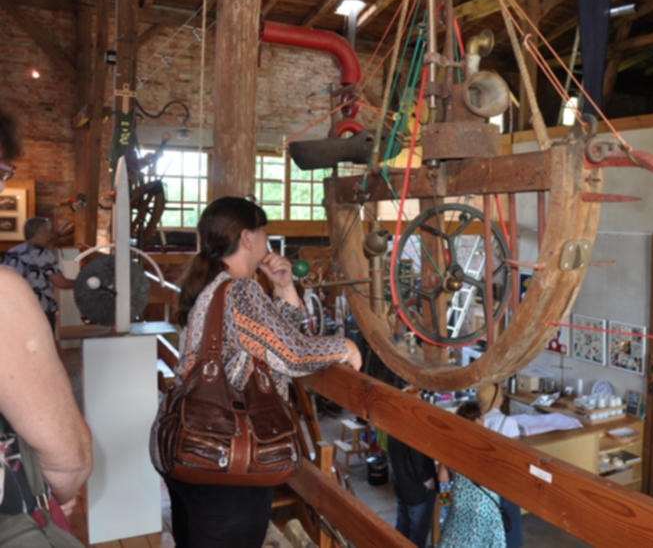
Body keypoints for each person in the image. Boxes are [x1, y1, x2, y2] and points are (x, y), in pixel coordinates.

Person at [150, 196, 362, 548]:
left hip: (194, 448)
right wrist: (344, 346)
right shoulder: (240, 290)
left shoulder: (214, 284)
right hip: (226, 460)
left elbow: (275, 339)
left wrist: (284, 287)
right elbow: (293, 354)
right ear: (247, 238)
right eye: (263, 231)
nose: (267, 239)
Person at [0, 109, 93, 522]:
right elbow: (68, 460)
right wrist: (90, 283)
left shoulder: (13, 253)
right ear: (38, 233)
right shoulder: (16, 281)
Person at [437, 402, 506, 548]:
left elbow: (442, 478)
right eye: (482, 416)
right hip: (485, 504)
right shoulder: (488, 444)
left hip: (461, 502)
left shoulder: (451, 444)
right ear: (477, 419)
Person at [4, 216, 75, 333]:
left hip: (15, 308)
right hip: (40, 309)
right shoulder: (42, 253)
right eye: (47, 232)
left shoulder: (12, 252)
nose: (49, 236)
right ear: (37, 234)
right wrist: (82, 282)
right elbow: (60, 282)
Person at [387, 387, 438, 548]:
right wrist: (430, 484)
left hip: (401, 484)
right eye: (419, 400)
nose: (422, 403)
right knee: (417, 532)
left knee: (403, 525)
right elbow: (420, 466)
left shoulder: (393, 424)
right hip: (416, 492)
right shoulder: (414, 430)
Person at [476, 383, 523, 548]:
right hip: (503, 479)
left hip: (481, 480)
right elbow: (513, 454)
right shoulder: (508, 422)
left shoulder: (477, 419)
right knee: (510, 523)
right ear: (497, 400)